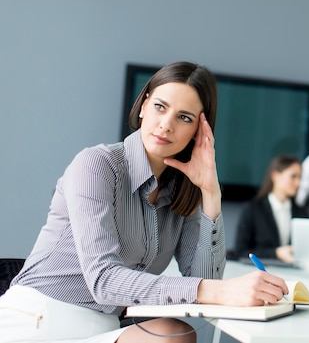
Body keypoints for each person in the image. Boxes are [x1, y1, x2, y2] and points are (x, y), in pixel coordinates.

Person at [0, 62, 288, 343]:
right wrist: (217, 291)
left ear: (199, 132)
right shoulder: (96, 165)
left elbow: (204, 280)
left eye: (184, 118)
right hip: (37, 319)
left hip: (103, 327)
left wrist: (210, 193)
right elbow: (103, 280)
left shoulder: (182, 192)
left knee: (175, 333)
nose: (166, 125)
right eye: (160, 107)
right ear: (144, 106)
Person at [234, 155, 309, 263]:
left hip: (293, 274)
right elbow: (241, 251)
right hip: (260, 273)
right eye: (293, 176)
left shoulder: (302, 213)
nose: (298, 183)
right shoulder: (252, 209)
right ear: (275, 175)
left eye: (300, 178)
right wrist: (276, 253)